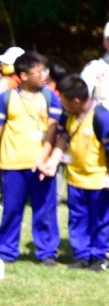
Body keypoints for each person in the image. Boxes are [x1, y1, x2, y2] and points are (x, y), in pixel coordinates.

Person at [43, 75, 109, 270]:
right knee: (77, 218)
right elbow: (63, 139)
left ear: (75, 101)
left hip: (98, 180)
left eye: (63, 99)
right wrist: (52, 161)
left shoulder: (101, 116)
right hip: (75, 178)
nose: (61, 103)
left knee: (100, 220)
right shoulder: (68, 116)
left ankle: (99, 256)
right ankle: (81, 255)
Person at [0, 51, 62, 266]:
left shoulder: (49, 97)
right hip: (12, 164)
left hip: (41, 165)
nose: (44, 75)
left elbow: (54, 130)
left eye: (45, 70)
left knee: (45, 210)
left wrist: (45, 157)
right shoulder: (7, 98)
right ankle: (6, 251)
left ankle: (46, 252)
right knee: (11, 209)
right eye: (39, 71)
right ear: (24, 76)